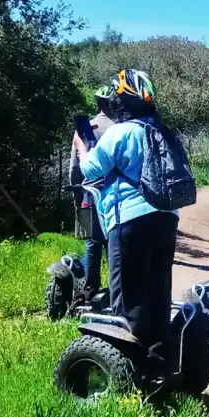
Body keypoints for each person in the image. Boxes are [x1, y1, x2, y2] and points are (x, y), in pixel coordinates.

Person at [75, 69, 180, 368]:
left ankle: (129, 367)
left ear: (122, 101)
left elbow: (90, 170)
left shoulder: (120, 133)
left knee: (128, 296)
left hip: (129, 220)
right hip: (167, 218)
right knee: (159, 293)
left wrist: (83, 148)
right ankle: (159, 363)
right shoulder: (164, 132)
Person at [69, 85, 117, 298]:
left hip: (88, 192)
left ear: (97, 103)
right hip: (114, 192)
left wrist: (76, 193)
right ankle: (117, 290)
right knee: (114, 242)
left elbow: (74, 168)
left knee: (91, 241)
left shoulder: (84, 127)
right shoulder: (120, 128)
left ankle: (89, 290)